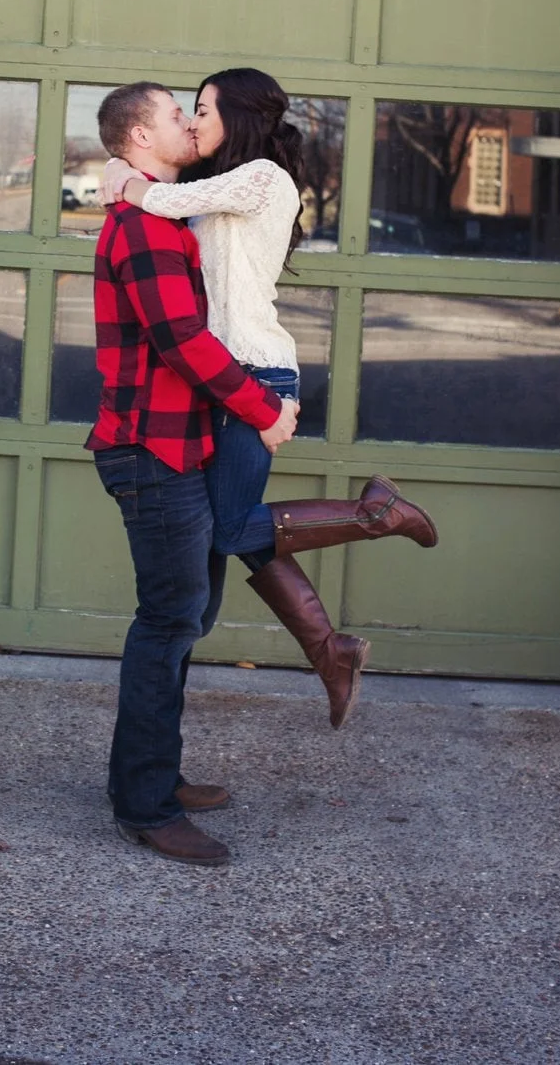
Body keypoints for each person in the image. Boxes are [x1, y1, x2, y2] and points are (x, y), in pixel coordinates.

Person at [102, 67, 438, 733]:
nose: (193, 121)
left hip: (251, 374)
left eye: (201, 109)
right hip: (223, 380)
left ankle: (376, 513)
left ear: (239, 115)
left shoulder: (262, 177)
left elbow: (161, 203)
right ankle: (330, 648)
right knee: (237, 528)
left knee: (229, 529)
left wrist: (126, 179)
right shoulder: (212, 188)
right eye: (184, 112)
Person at [87, 81, 298, 868]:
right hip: (152, 449)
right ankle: (145, 805)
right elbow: (180, 339)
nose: (189, 124)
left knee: (184, 621)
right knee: (170, 622)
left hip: (178, 446)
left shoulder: (171, 214)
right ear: (141, 134)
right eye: (178, 115)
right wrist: (261, 409)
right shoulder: (142, 232)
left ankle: (155, 778)